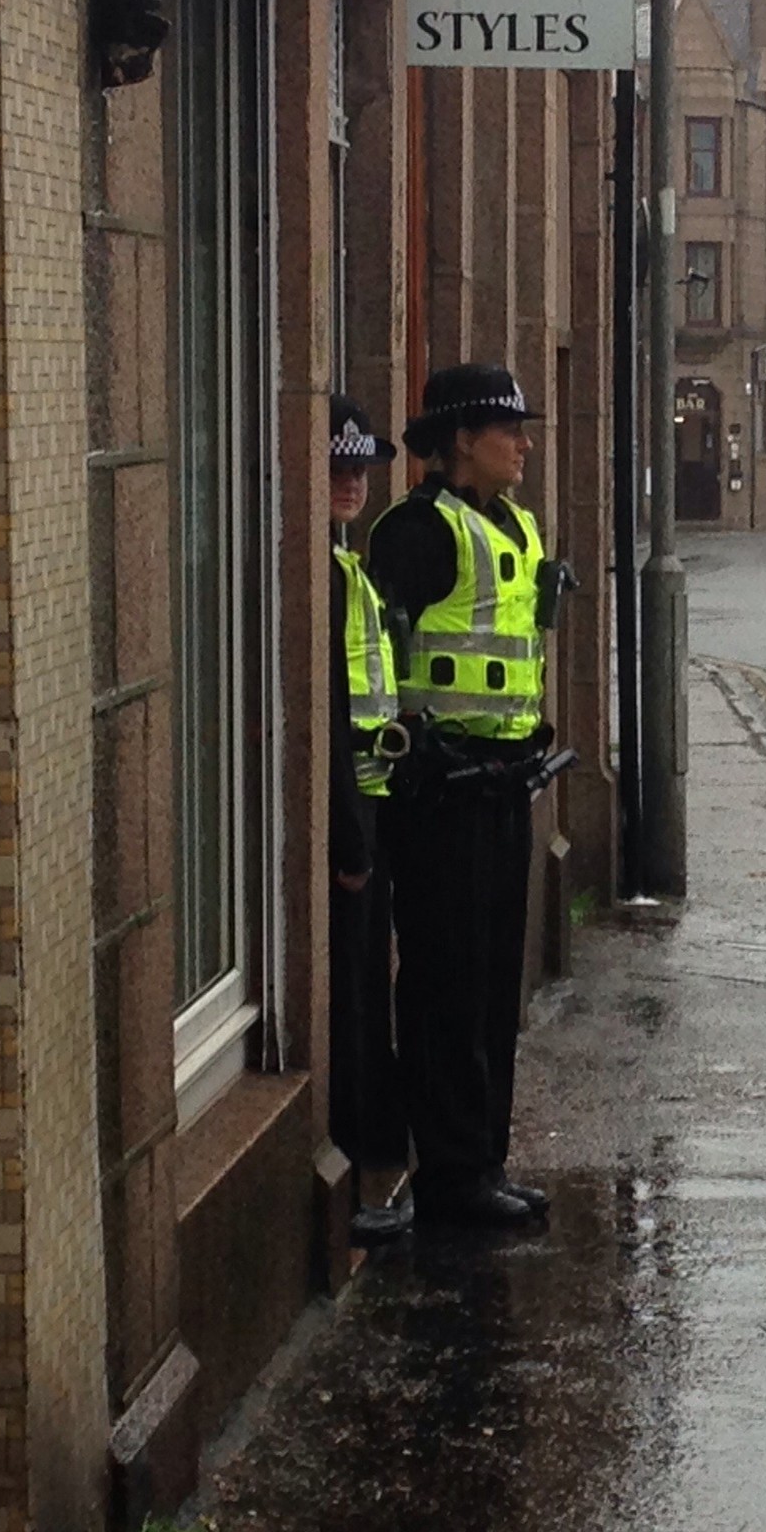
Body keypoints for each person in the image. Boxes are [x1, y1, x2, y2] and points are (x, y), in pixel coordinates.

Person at [363, 364, 558, 1231]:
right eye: (505, 430)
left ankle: (484, 1159)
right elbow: (375, 657)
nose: (523, 444)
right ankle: (449, 1175)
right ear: (458, 444)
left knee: (489, 985)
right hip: (438, 794)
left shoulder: (517, 526)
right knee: (445, 986)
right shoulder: (415, 531)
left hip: (504, 787)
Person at [327, 396, 412, 1246]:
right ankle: (352, 1168)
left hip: (375, 806)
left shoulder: (346, 565)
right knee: (347, 996)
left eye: (361, 466)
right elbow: (322, 716)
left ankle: (373, 1154)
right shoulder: (315, 572)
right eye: (336, 465)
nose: (352, 480)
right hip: (347, 822)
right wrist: (350, 838)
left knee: (365, 989)